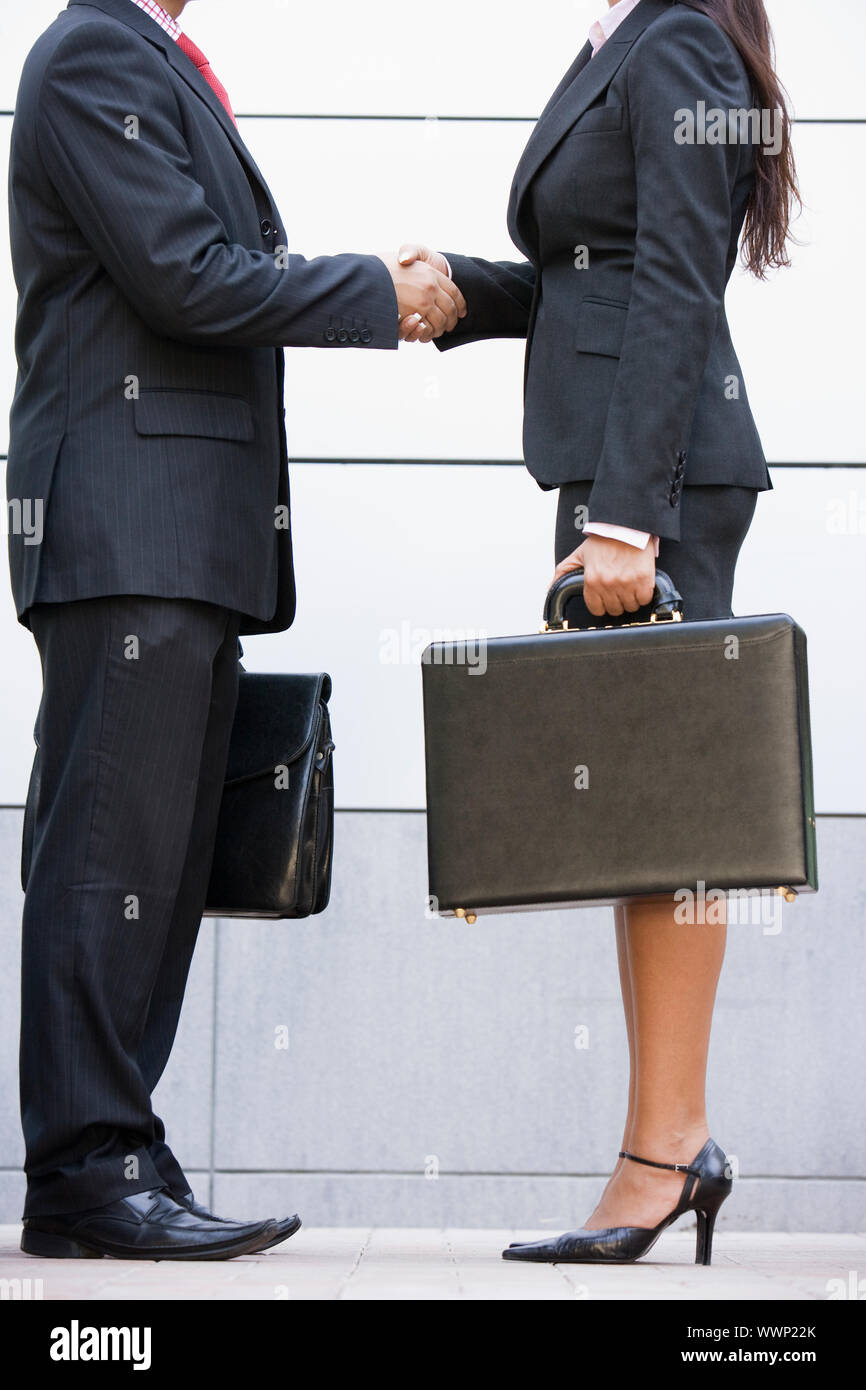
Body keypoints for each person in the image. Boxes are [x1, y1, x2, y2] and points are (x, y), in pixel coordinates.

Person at [7, 0, 465, 1260]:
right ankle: (86, 1166)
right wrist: (379, 290)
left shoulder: (153, 60)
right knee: (111, 852)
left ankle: (117, 1148)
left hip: (179, 535)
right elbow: (188, 276)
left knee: (156, 863)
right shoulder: (95, 50)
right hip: (126, 525)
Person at [401, 0, 799, 1265]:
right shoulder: (623, 40)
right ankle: (661, 1145)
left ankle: (666, 1150)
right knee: (638, 822)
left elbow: (678, 273)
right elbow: (601, 267)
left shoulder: (672, 39)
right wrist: (468, 293)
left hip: (651, 482)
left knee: (670, 819)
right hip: (618, 474)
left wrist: (630, 514)